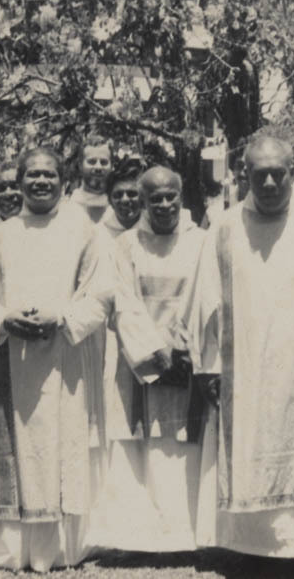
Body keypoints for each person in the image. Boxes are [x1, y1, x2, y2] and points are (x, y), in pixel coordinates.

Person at [184, 136, 294, 561]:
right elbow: (205, 302)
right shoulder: (225, 228)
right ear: (244, 174)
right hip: (244, 368)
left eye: (277, 174)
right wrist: (209, 366)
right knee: (247, 446)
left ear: (292, 173)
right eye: (259, 174)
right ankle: (247, 547)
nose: (268, 183)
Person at [0, 147, 117, 571]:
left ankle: (59, 549)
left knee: (60, 446)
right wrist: (3, 318)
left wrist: (62, 317)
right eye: (33, 175)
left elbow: (101, 295)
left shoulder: (84, 231)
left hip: (65, 359)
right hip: (10, 358)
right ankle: (12, 548)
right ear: (21, 179)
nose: (41, 181)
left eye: (49, 174)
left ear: (63, 180)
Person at [93, 167, 207, 551]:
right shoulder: (125, 245)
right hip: (139, 361)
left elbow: (205, 297)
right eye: (155, 198)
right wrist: (157, 352)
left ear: (181, 196)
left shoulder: (201, 242)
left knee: (183, 443)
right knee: (138, 446)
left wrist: (184, 348)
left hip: (187, 359)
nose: (164, 204)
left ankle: (186, 534)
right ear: (143, 201)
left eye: (170, 196)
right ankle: (138, 537)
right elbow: (123, 302)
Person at [68, 136, 114, 224]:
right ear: (80, 165)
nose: (98, 167)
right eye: (92, 162)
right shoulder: (67, 208)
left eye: (104, 162)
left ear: (112, 166)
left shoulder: (119, 207)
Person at [101, 158, 144, 239]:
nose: (125, 200)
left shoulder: (155, 230)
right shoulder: (99, 234)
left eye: (132, 194)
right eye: (118, 195)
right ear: (110, 200)